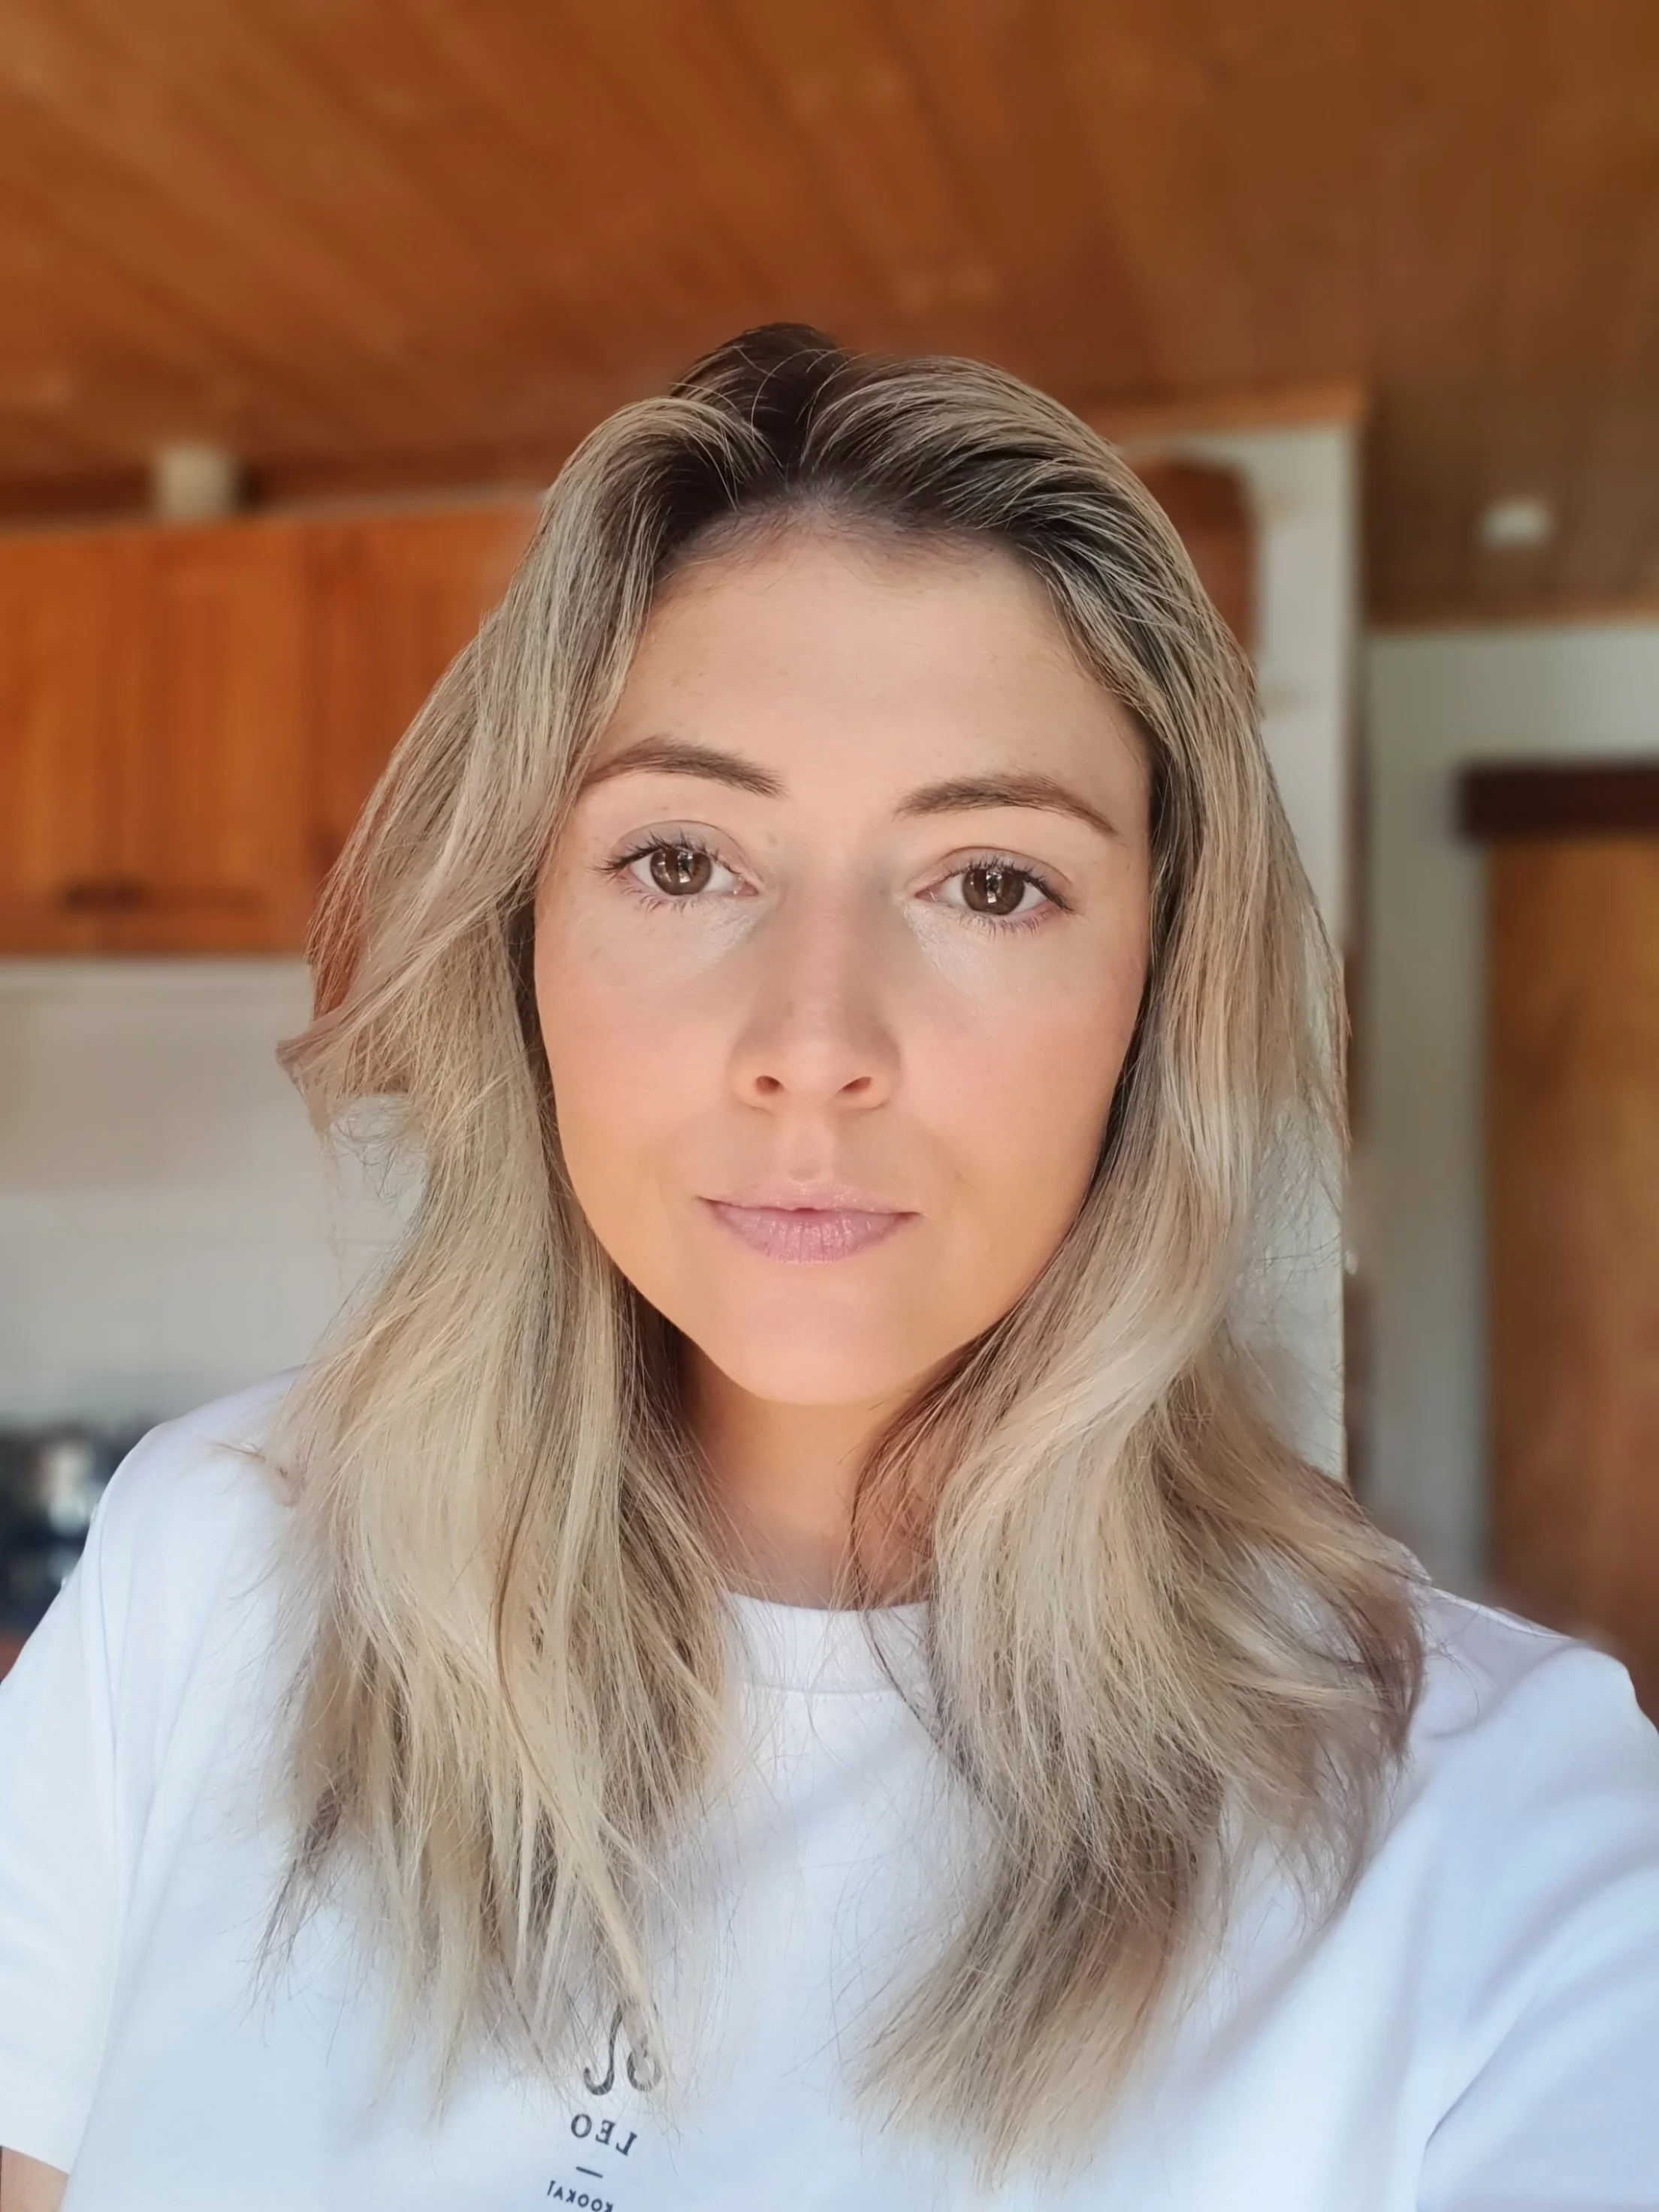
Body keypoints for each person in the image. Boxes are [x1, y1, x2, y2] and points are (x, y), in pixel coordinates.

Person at [2, 325, 1656, 2212]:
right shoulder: (209, 1568)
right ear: (523, 937)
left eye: (991, 880)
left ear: (1157, 992)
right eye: (682, 859)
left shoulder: (1500, 1835)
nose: (812, 1039)